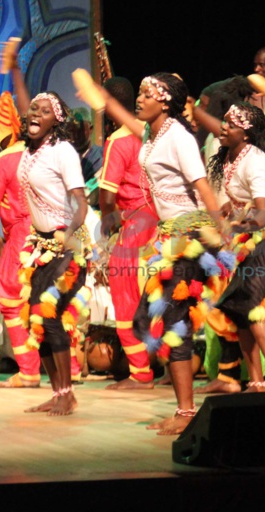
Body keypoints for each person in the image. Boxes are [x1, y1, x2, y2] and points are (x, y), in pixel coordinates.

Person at [79, 71, 225, 435]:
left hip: (189, 233)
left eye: (146, 95)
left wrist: (221, 227)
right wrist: (100, 96)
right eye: (139, 94)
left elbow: (202, 186)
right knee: (147, 318)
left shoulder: (178, 137)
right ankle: (183, 403)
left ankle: (187, 412)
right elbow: (127, 119)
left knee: (172, 321)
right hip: (169, 236)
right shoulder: (152, 132)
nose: (139, 100)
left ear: (165, 101)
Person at [205, 102, 265, 393]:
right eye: (224, 121)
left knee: (252, 304)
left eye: (231, 125)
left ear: (245, 134)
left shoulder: (255, 159)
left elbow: (262, 211)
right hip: (246, 235)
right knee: (237, 307)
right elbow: (230, 204)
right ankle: (256, 381)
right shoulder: (227, 159)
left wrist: (236, 226)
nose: (223, 127)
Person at [15, 91, 91, 414]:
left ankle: (69, 393)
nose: (36, 114)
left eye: (45, 111)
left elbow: (81, 201)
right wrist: (16, 69)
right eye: (33, 109)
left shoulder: (63, 152)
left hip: (69, 246)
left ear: (55, 121)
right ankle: (58, 391)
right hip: (42, 246)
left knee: (49, 312)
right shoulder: (30, 151)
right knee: (36, 314)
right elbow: (24, 103)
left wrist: (69, 234)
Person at [97, 77, 158, 389]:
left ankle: (141, 373)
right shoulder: (151, 133)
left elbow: (106, 198)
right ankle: (172, 369)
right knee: (161, 298)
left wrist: (108, 236)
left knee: (126, 300)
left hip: (134, 228)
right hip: (162, 226)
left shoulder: (119, 140)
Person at [0, 93, 42, 388]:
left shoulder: (2, 161)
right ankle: (70, 368)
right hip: (51, 231)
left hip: (20, 236)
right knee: (49, 298)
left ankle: (29, 371)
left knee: (10, 300)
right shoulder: (40, 152)